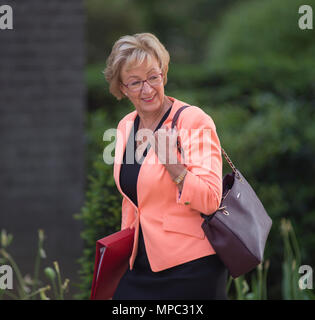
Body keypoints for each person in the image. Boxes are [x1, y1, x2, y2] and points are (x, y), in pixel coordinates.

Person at [104, 32, 228, 300]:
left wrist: (172, 164)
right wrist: (124, 251)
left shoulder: (193, 121)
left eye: (153, 77)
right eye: (135, 82)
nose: (147, 90)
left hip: (192, 268)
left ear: (164, 73)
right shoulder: (126, 126)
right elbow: (133, 199)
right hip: (141, 266)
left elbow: (210, 199)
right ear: (123, 88)